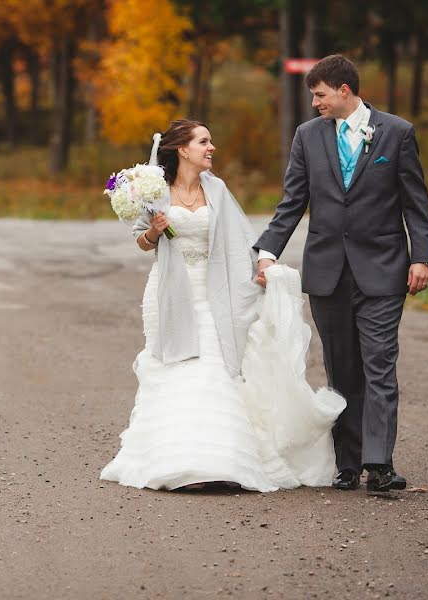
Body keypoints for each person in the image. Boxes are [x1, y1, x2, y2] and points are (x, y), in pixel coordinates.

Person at [100, 119, 345, 492]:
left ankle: (219, 462)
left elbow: (240, 240)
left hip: (215, 293)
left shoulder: (217, 190)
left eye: (210, 141)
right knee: (176, 366)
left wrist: (261, 268)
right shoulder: (153, 190)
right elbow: (143, 242)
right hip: (170, 291)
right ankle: (177, 460)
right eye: (203, 142)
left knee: (214, 367)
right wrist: (154, 229)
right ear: (183, 149)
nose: (211, 148)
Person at [254, 55, 428, 493]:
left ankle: (380, 465)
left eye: (319, 95)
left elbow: (415, 201)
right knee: (342, 371)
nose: (314, 103)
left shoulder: (397, 132)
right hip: (328, 272)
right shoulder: (307, 136)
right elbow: (292, 201)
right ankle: (348, 464)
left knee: (379, 366)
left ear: (343, 90)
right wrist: (266, 252)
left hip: (384, 270)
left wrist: (422, 257)